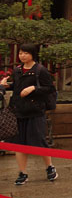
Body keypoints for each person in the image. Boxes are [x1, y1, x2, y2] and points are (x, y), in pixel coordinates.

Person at [0, 44, 57, 185]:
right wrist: (7, 85)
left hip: (35, 111)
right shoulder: (18, 70)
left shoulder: (40, 70)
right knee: (19, 143)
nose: (22, 56)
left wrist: (33, 88)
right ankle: (22, 173)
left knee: (39, 141)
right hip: (18, 111)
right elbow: (17, 86)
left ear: (33, 54)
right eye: (20, 53)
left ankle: (50, 167)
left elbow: (49, 88)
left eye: (25, 53)